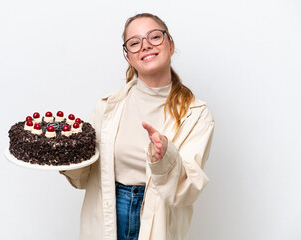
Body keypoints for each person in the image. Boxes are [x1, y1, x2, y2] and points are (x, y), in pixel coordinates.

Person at [61, 13, 215, 240]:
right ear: (128, 57)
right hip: (109, 215)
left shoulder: (197, 114)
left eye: (154, 37)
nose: (145, 46)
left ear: (170, 45)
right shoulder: (107, 106)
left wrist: (165, 155)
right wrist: (62, 152)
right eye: (135, 42)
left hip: (158, 220)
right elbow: (83, 176)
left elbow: (187, 189)